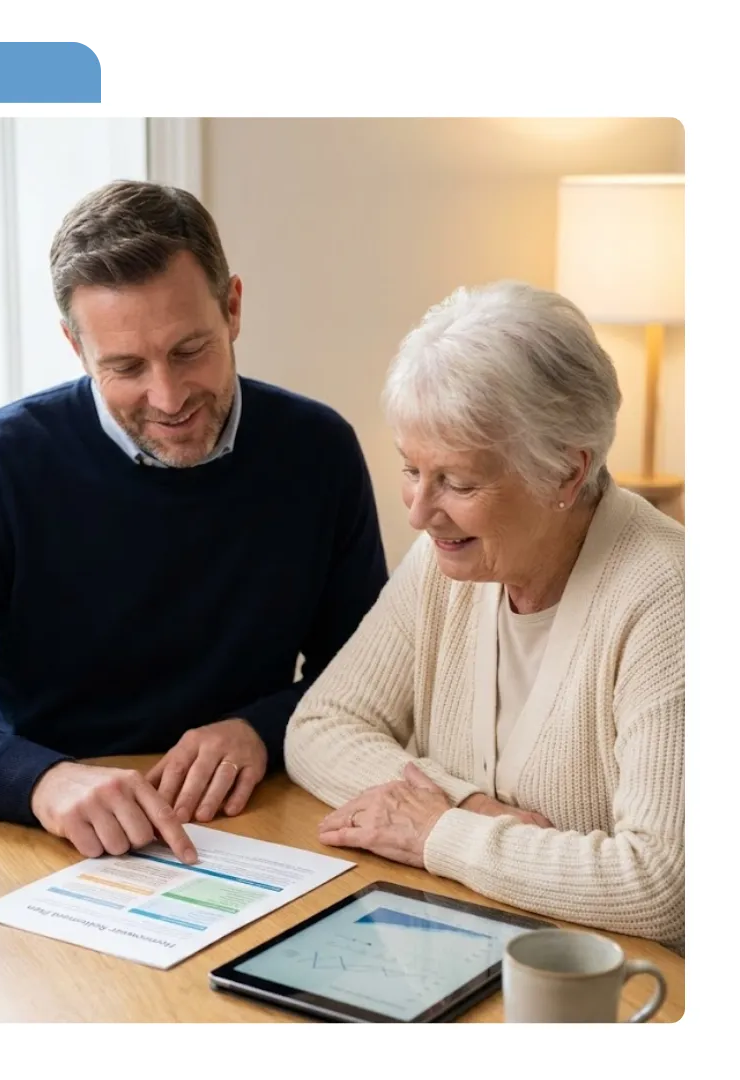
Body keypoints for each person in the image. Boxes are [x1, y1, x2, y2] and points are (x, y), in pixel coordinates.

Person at [0, 179, 388, 866]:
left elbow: (370, 679)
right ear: (76, 347)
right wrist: (42, 780)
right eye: (126, 367)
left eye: (189, 350)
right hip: (40, 834)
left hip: (249, 822)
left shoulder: (319, 451)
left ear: (233, 308)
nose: (168, 396)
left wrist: (262, 728)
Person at [284, 280, 685, 952]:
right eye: (411, 469)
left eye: (459, 482)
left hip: (615, 985)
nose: (420, 513)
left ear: (566, 473)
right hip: (466, 942)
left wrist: (440, 833)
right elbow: (320, 727)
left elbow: (662, 886)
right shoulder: (446, 562)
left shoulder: (668, 598)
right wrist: (465, 804)